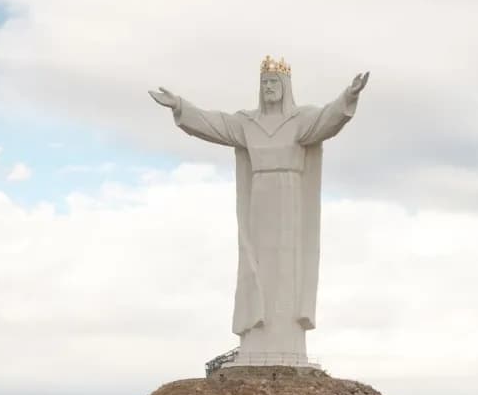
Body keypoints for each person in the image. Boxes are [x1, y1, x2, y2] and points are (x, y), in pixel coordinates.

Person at [150, 58, 369, 367]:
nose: (268, 87)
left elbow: (328, 120)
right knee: (256, 267)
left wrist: (349, 96)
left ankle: (287, 344)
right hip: (259, 203)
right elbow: (214, 124)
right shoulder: (247, 124)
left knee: (286, 273)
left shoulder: (299, 121)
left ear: (285, 88)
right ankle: (255, 340)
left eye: (274, 82)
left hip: (290, 202)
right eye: (264, 82)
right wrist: (180, 106)